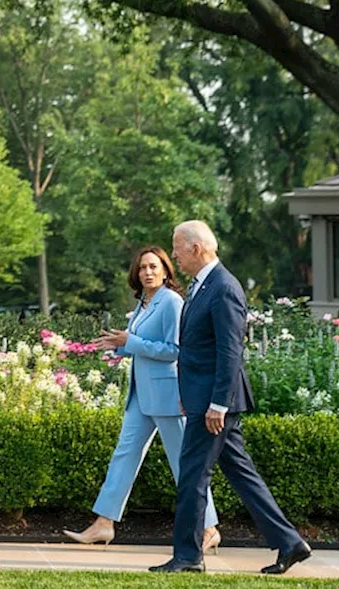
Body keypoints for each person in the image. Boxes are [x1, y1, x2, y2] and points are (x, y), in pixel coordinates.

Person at [150, 221, 311, 575]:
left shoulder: (223, 287)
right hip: (202, 399)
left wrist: (217, 404)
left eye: (177, 247)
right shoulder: (203, 285)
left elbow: (230, 351)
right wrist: (187, 395)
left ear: (196, 248)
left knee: (192, 477)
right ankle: (290, 543)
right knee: (242, 475)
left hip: (215, 405)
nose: (173, 254)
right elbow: (195, 347)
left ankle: (189, 556)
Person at [62, 246, 219, 550]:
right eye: (142, 268)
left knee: (183, 464)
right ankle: (103, 524)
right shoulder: (144, 304)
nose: (147, 272)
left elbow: (175, 350)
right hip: (141, 396)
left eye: (153, 266)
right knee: (124, 455)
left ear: (165, 271)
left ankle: (209, 527)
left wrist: (130, 341)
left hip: (168, 396)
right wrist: (118, 344)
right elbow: (142, 344)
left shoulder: (172, 302)